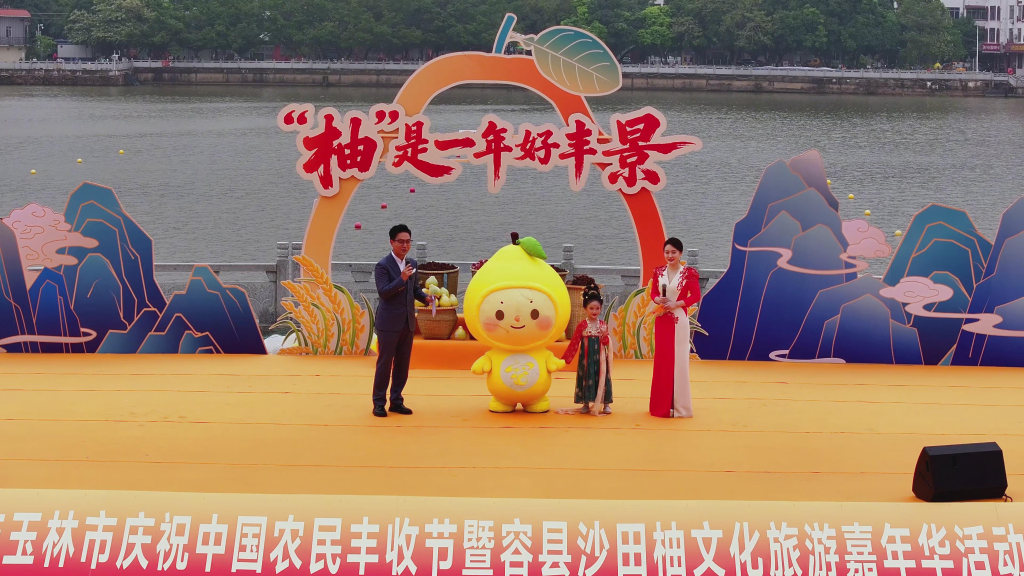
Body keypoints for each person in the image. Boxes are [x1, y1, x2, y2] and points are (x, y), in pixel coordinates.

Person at [372, 224, 433, 418]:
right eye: (401, 242)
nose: (405, 245)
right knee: (384, 364)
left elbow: (414, 290)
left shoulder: (412, 263)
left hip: (407, 322)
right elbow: (384, 292)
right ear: (392, 242)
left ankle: (396, 401)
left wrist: (426, 298)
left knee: (402, 365)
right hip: (388, 324)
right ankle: (379, 403)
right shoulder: (382, 265)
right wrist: (402, 278)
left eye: (408, 241)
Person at [649, 238, 701, 418]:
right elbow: (653, 293)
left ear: (680, 253)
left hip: (678, 320)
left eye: (673, 252)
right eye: (667, 252)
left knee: (678, 361)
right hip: (662, 319)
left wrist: (676, 304)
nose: (670, 255)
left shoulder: (689, 273)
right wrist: (658, 300)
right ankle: (661, 405)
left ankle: (679, 407)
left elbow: (695, 296)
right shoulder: (658, 271)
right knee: (662, 361)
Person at [561, 283, 613, 415]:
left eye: (597, 308)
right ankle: (585, 403)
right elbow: (574, 343)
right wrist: (565, 360)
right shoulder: (582, 325)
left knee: (602, 377)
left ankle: (606, 403)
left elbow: (607, 343)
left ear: (601, 309)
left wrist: (604, 335)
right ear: (585, 308)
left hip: (600, 359)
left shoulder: (603, 324)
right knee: (586, 376)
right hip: (586, 358)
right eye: (591, 308)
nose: (594, 311)